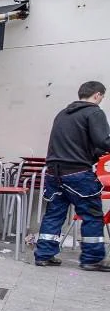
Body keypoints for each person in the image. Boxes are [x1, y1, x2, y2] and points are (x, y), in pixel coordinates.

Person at [34, 80, 110, 271]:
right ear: (97, 95)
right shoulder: (94, 112)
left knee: (54, 214)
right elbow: (103, 141)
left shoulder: (62, 114)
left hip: (54, 174)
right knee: (92, 215)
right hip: (77, 174)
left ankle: (43, 255)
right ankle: (92, 259)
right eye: (102, 96)